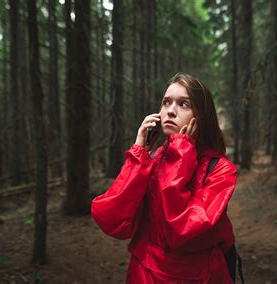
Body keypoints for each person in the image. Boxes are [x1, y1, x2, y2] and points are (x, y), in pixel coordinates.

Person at [91, 72, 238, 283]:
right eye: (166, 102)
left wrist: (181, 151)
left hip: (199, 277)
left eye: (183, 104)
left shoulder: (221, 171)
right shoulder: (151, 160)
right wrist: (138, 155)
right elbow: (113, 220)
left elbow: (180, 230)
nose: (170, 111)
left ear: (202, 116)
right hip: (144, 275)